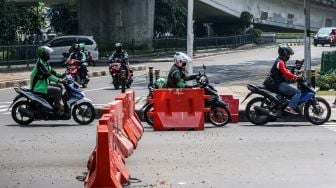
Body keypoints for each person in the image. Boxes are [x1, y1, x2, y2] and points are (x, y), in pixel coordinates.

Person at [267, 44, 302, 115]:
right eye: (288, 54)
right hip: (279, 84)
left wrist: (291, 70)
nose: (289, 56)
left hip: (276, 83)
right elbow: (285, 73)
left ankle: (285, 105)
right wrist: (295, 76)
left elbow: (284, 70)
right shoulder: (280, 62)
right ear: (284, 53)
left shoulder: (280, 61)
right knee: (298, 92)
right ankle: (290, 107)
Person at [30, 46, 65, 114]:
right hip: (38, 87)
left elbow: (53, 72)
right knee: (57, 90)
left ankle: (54, 103)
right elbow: (48, 75)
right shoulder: (40, 64)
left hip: (43, 84)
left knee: (60, 86)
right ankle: (57, 106)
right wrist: (59, 80)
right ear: (43, 55)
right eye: (47, 54)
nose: (49, 55)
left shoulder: (44, 63)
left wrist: (62, 75)